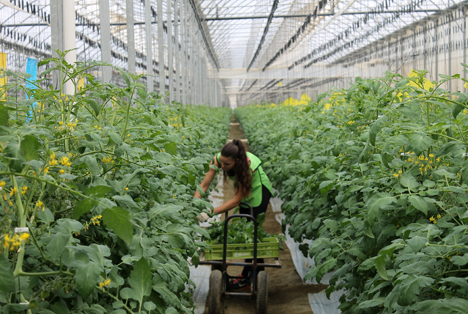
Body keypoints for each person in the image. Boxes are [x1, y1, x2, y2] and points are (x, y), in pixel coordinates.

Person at [194, 139, 274, 291]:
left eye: (227, 165)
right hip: (245, 190)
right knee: (245, 227)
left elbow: (236, 201)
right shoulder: (220, 159)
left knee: (251, 230)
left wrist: (210, 212)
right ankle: (248, 274)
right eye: (221, 163)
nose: (222, 167)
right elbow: (204, 185)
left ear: (237, 161)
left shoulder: (247, 168)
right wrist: (195, 203)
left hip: (259, 192)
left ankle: (249, 277)